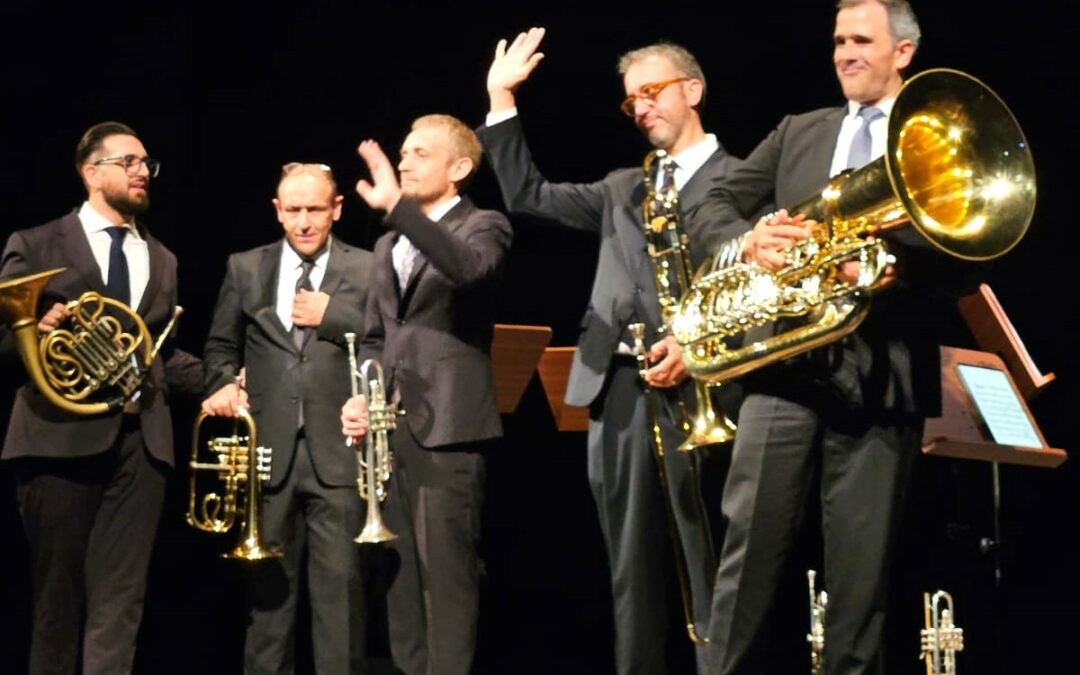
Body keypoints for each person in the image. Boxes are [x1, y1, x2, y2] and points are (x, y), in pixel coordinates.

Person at [703, 2, 971, 673]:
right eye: (838, 41)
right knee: (745, 566)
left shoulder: (933, 140)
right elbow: (712, 203)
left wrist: (891, 267)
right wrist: (749, 239)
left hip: (884, 371)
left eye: (861, 40)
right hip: (784, 365)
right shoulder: (800, 130)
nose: (844, 52)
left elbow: (970, 251)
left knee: (860, 585)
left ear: (903, 52)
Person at [478, 28, 742, 674]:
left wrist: (700, 346)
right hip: (618, 392)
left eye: (651, 92)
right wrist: (501, 99)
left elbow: (752, 287)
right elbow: (527, 196)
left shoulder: (744, 180)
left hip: (702, 389)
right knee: (631, 575)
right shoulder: (624, 184)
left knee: (711, 567)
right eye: (632, 101)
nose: (641, 107)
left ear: (693, 90)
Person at [0, 121, 202, 674]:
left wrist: (223, 381)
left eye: (146, 165)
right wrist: (39, 330)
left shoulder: (163, 259)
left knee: (121, 604)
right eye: (130, 163)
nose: (143, 173)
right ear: (92, 172)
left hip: (142, 445)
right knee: (56, 604)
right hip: (57, 438)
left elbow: (158, 351)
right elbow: (3, 337)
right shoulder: (37, 242)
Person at [340, 114, 511, 675]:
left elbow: (467, 270)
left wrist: (400, 209)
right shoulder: (390, 241)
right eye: (403, 150)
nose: (405, 160)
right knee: (400, 577)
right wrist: (363, 394)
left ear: (459, 168)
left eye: (420, 153)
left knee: (448, 579)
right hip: (392, 433)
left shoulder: (484, 225)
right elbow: (373, 337)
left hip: (450, 428)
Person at [201, 162, 373, 674]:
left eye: (315, 210)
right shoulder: (245, 267)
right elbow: (219, 346)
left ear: (336, 209)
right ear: (277, 211)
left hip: (339, 456)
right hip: (267, 457)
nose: (303, 222)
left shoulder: (366, 268)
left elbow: (391, 341)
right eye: (293, 210)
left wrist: (335, 315)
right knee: (268, 611)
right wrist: (223, 382)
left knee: (341, 607)